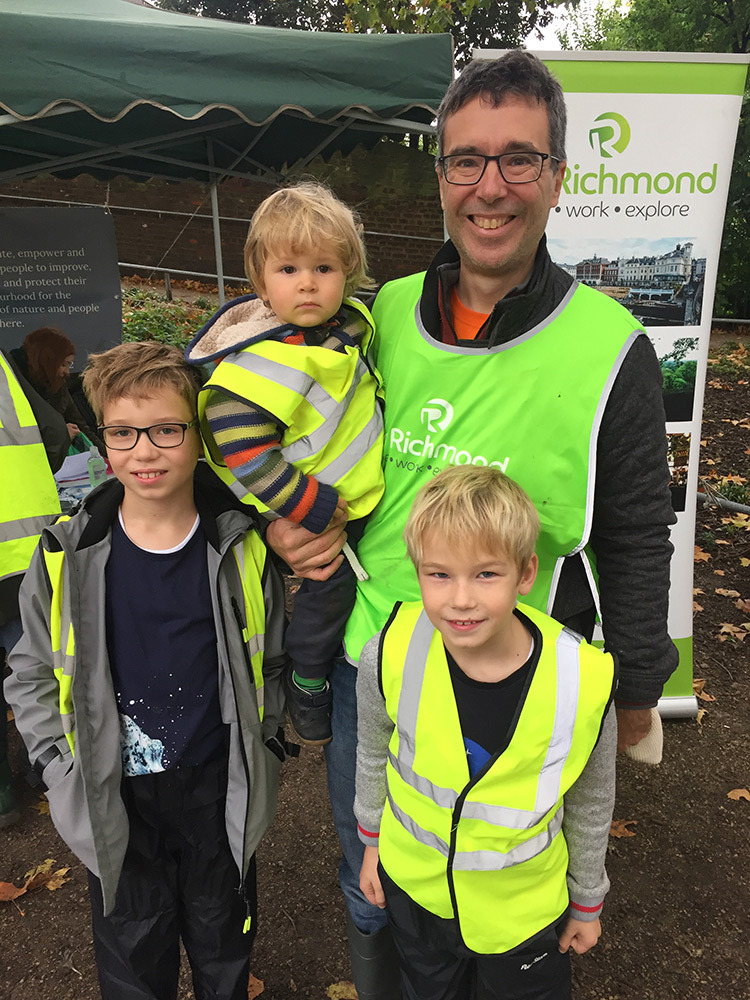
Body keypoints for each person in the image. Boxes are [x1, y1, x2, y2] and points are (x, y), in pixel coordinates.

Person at [267, 50, 678, 999]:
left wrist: (637, 688)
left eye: (520, 159)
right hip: (383, 667)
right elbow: (274, 422)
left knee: (512, 895)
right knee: (376, 890)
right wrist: (280, 523)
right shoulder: (379, 316)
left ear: (559, 177)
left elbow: (634, 534)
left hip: (527, 686)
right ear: (442, 177)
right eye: (466, 160)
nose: (491, 188)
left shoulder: (613, 346)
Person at [4, 341, 288, 1000]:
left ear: (196, 437)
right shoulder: (65, 555)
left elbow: (272, 654)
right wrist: (55, 763)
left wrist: (267, 742)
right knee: (134, 962)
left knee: (225, 948)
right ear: (102, 440)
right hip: (113, 794)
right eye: (124, 433)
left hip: (218, 789)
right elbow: (31, 667)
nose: (145, 450)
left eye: (165, 429)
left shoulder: (238, 546)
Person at [355, 465, 616, 1000]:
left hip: (521, 916)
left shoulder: (581, 679)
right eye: (439, 574)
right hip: (416, 894)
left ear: (525, 574)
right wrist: (371, 845)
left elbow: (591, 799)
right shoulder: (390, 650)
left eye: (486, 575)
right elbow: (372, 751)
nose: (461, 600)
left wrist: (587, 898)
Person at [186, 182, 384, 746]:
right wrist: (309, 505)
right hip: (322, 509)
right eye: (289, 268)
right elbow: (241, 447)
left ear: (348, 270)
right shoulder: (262, 360)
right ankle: (308, 677)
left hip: (353, 498)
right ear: (260, 279)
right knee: (328, 594)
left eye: (324, 267)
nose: (308, 282)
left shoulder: (339, 328)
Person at [0, 348, 67, 827]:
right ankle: (52, 766)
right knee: (41, 666)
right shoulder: (4, 367)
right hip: (21, 555)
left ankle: (3, 797)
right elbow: (52, 434)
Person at [11, 324, 104, 451]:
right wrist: (61, 435)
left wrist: (105, 454)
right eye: (63, 364)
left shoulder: (56, 382)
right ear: (48, 361)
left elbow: (80, 425)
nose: (67, 372)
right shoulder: (12, 384)